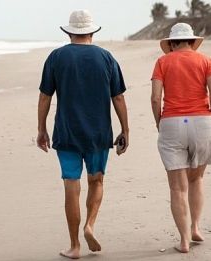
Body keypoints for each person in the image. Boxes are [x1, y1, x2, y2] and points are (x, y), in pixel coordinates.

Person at [37, 10, 129, 259]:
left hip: (66, 132)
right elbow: (118, 97)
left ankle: (75, 245)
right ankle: (90, 225)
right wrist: (125, 129)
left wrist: (41, 129)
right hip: (98, 133)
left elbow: (45, 96)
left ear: (69, 32)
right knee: (96, 181)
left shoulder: (56, 57)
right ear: (92, 31)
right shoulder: (106, 57)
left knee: (71, 185)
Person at [151, 23, 211, 253]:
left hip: (172, 122)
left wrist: (159, 122)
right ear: (192, 42)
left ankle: (183, 241)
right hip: (202, 121)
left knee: (177, 188)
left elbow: (155, 98)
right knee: (196, 179)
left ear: (171, 44)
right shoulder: (206, 61)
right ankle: (196, 228)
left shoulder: (162, 62)